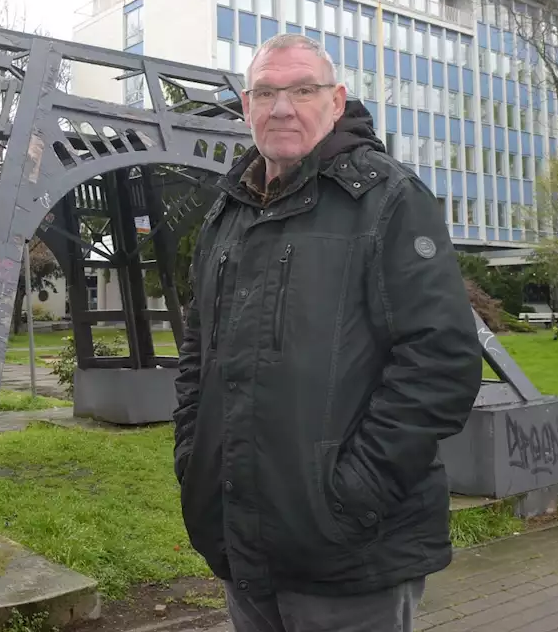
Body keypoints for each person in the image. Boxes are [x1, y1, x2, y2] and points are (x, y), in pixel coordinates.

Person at [172, 33, 482, 632]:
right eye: (265, 91)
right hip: (240, 537)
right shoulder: (229, 211)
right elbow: (197, 350)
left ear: (336, 101)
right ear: (246, 105)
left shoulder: (387, 200)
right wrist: (194, 458)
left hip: (349, 550)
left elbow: (441, 362)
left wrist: (352, 494)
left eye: (302, 90)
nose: (281, 107)